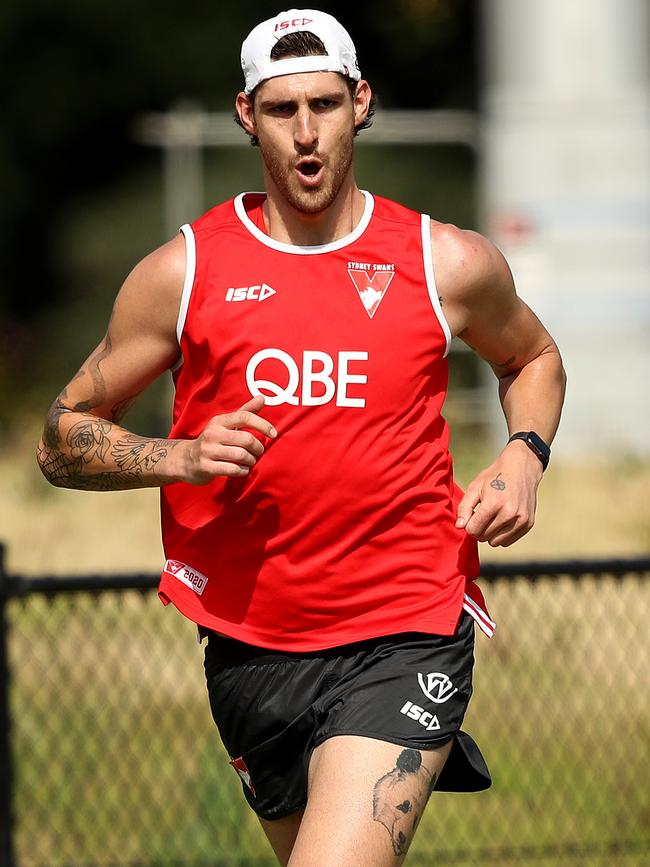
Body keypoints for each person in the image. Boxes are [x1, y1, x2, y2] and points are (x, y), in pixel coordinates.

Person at [37, 9, 566, 866]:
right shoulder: (186, 271)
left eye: (325, 104)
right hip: (250, 646)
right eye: (283, 111)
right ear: (247, 115)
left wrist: (523, 452)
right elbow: (60, 437)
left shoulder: (445, 262)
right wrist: (179, 455)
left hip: (407, 626)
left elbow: (534, 357)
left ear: (361, 102)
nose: (307, 132)